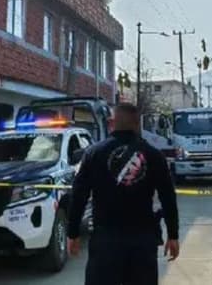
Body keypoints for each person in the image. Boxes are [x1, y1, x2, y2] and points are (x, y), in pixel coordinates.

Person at [68, 102, 180, 285]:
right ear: (137, 124)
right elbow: (168, 197)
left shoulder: (94, 154)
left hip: (105, 242)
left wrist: (72, 233)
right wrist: (173, 235)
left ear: (112, 123)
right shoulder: (153, 155)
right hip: (142, 241)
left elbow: (78, 195)